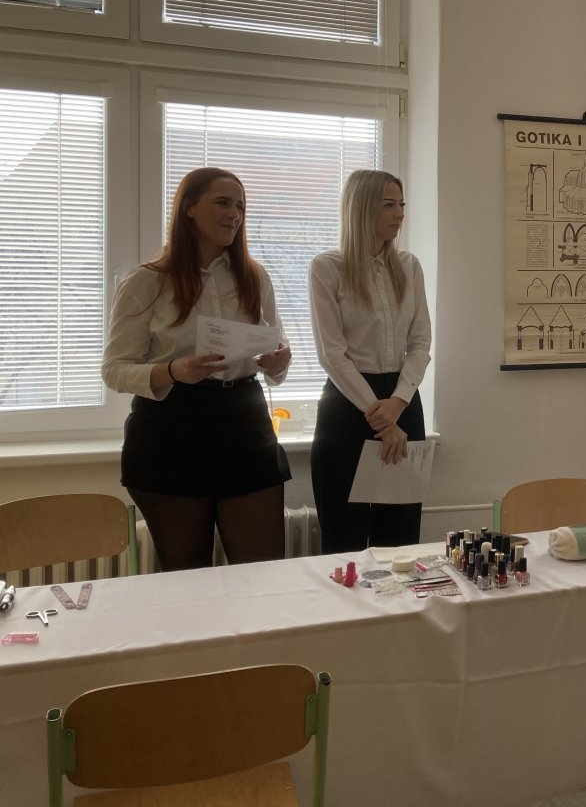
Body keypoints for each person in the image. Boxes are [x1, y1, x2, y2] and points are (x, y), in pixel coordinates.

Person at [102, 167, 291, 571]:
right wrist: (173, 371)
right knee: (186, 577)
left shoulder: (254, 277)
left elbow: (273, 354)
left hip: (244, 423)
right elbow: (114, 370)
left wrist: (279, 361)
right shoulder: (147, 281)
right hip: (172, 428)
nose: (234, 214)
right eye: (223, 203)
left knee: (263, 573)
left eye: (240, 206)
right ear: (188, 208)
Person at [310, 169, 432, 554]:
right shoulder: (328, 267)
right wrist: (381, 418)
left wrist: (398, 403)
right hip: (348, 405)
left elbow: (421, 342)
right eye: (389, 205)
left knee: (400, 539)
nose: (400, 214)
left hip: (402, 402)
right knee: (343, 539)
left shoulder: (409, 266)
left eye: (402, 205)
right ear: (362, 208)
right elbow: (332, 355)